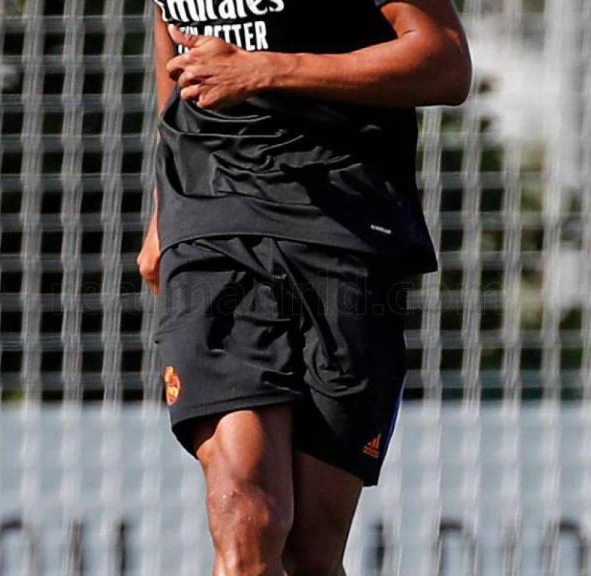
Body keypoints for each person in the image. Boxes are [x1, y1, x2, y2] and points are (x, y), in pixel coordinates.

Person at [138, 0, 470, 574]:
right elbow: (175, 58)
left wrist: (266, 69)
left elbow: (444, 61)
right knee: (249, 512)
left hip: (344, 226)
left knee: (310, 553)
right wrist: (163, 211)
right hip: (212, 222)